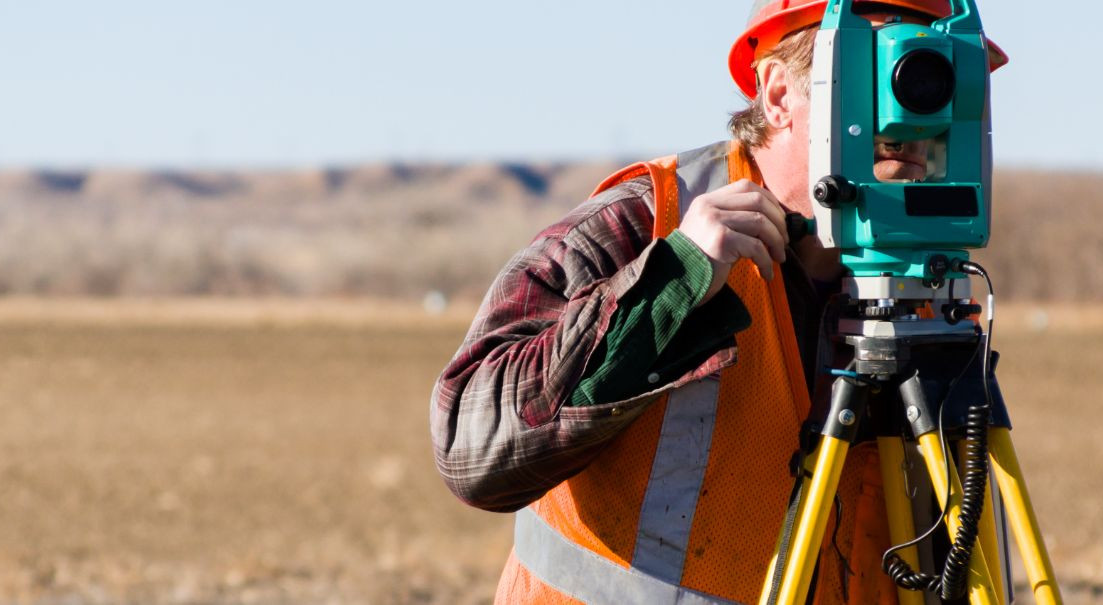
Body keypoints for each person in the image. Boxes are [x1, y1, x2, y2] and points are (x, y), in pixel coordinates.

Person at [431, 1, 1008, 602]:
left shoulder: (922, 284)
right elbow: (469, 450)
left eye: (941, 80)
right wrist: (670, 286)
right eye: (893, 74)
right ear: (780, 94)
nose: (919, 118)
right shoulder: (648, 221)